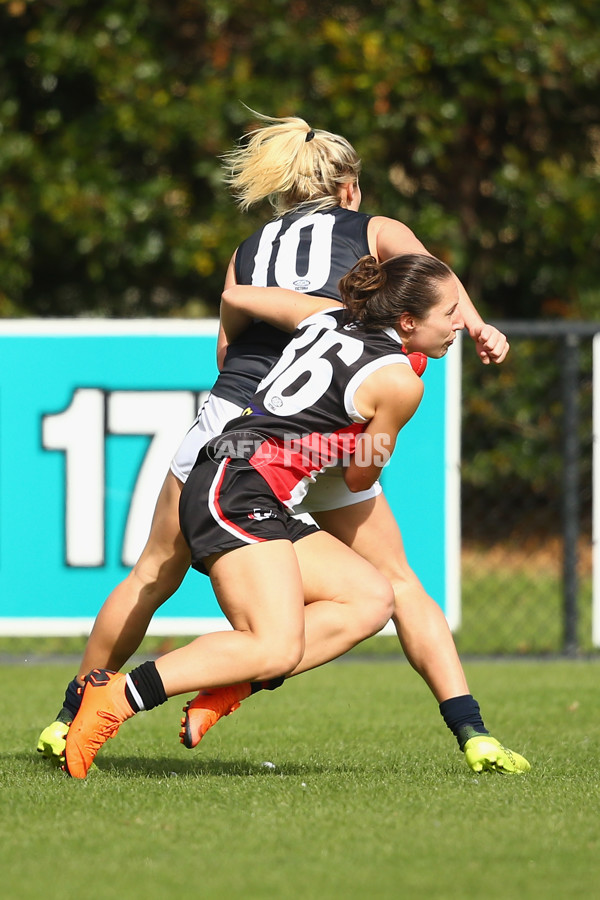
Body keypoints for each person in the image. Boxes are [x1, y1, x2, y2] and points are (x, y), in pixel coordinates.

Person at [39, 113, 525, 777]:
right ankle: (471, 731)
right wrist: (477, 326)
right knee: (393, 585)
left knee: (155, 570)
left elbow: (232, 315)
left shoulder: (253, 247)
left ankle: (68, 716)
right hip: (320, 429)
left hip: (241, 415)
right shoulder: (375, 238)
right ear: (349, 188)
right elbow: (430, 276)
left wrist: (249, 368)